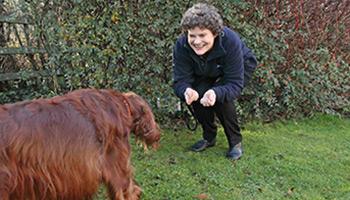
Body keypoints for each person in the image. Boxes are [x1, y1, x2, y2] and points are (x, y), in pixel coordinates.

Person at [172, 3, 257, 160]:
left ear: (215, 34)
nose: (197, 41)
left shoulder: (230, 41)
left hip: (238, 68)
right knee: (197, 95)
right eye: (192, 36)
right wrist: (186, 90)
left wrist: (215, 92)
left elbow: (234, 84)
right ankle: (209, 137)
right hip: (206, 68)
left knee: (222, 99)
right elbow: (180, 80)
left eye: (202, 35)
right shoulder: (181, 45)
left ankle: (235, 142)